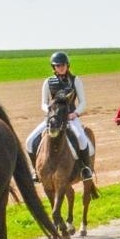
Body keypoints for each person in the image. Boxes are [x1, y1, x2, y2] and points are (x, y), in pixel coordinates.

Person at [24, 52, 95, 180]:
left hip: (70, 118)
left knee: (82, 139)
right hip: (53, 119)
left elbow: (83, 102)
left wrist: (75, 113)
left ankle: (86, 169)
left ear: (67, 65)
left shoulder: (75, 80)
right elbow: (44, 103)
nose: (60, 67)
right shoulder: (48, 82)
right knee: (29, 141)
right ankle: (36, 170)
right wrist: (50, 112)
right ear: (54, 67)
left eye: (63, 65)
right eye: (57, 65)